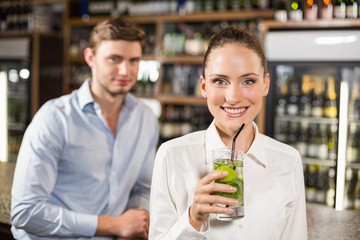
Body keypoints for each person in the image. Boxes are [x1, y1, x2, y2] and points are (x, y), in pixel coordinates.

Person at [149, 26, 307, 239]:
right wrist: (193, 218)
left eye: (248, 81)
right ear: (204, 86)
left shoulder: (288, 160)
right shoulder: (172, 155)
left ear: (265, 85)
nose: (233, 97)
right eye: (220, 81)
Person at [11, 18, 159, 240]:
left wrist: (135, 221)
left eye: (133, 60)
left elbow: (142, 188)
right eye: (114, 59)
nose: (125, 70)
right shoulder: (55, 118)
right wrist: (113, 225)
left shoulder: (146, 119)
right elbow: (26, 212)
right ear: (90, 57)